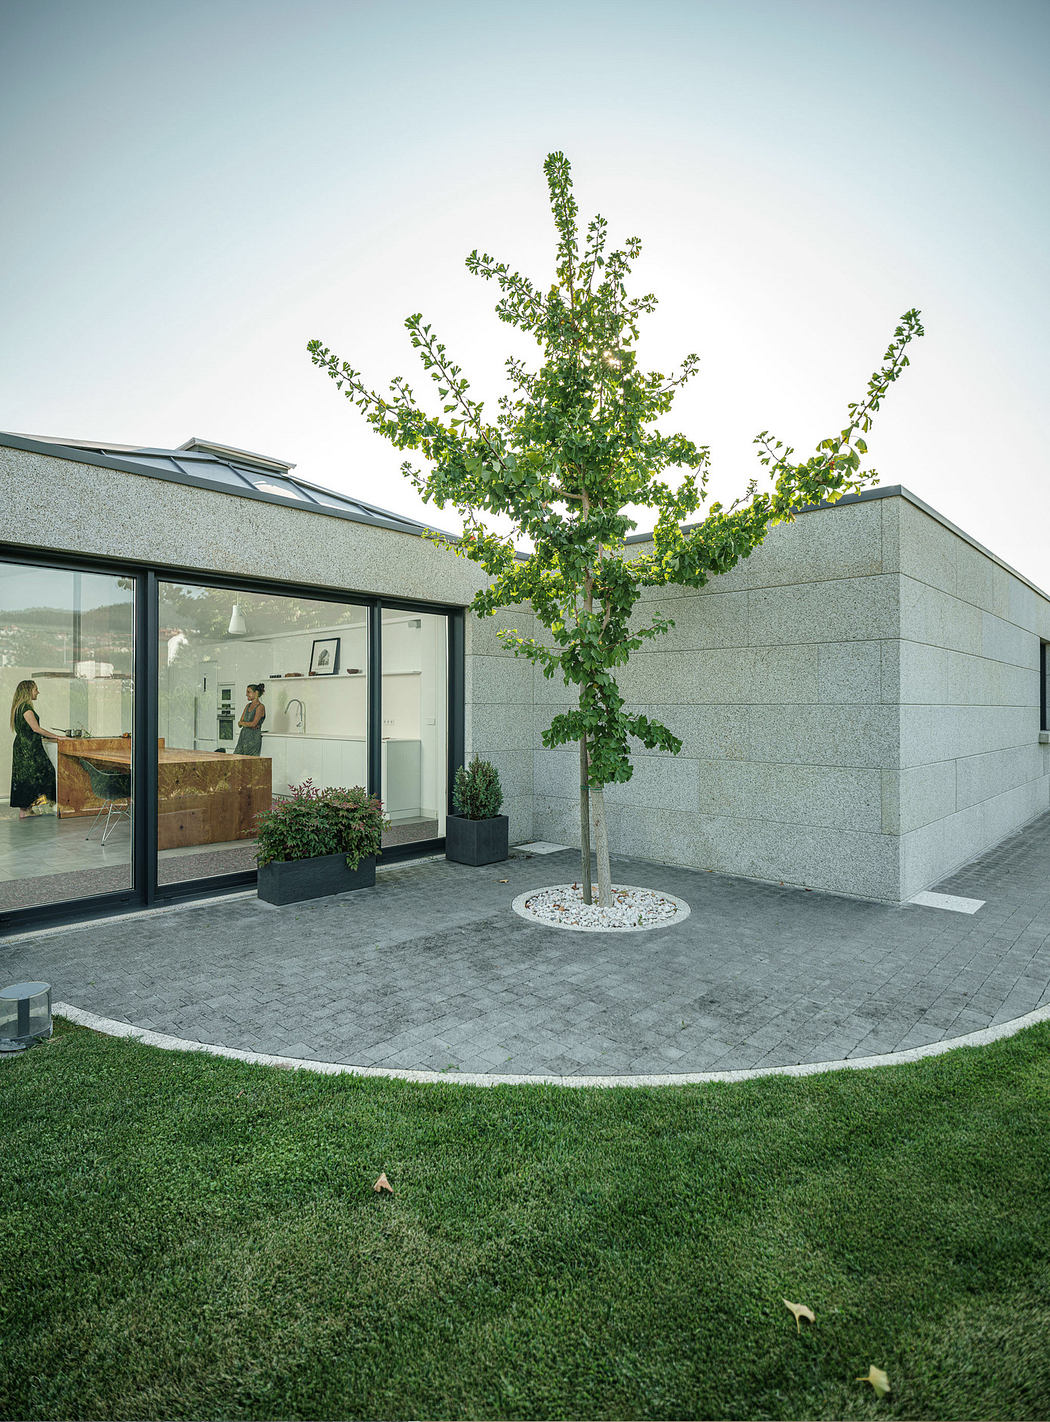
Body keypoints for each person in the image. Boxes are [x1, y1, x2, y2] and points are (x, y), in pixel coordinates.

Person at [9, 680, 62, 818]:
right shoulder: (26, 708)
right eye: (35, 689)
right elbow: (36, 729)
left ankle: (26, 810)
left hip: (22, 746)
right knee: (46, 773)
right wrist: (57, 737)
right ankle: (30, 808)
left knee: (24, 777)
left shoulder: (18, 707)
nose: (38, 692)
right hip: (29, 748)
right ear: (28, 691)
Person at [234, 682, 266, 755]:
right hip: (243, 738)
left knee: (250, 762)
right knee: (236, 758)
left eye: (248, 692)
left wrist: (243, 723)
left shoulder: (260, 707)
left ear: (256, 693)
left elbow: (253, 724)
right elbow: (240, 723)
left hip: (253, 739)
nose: (246, 694)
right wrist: (244, 723)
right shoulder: (247, 706)